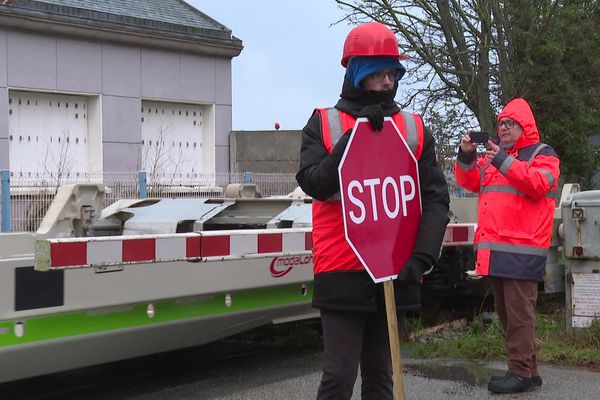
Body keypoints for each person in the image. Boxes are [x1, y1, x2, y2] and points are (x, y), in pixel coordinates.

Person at [296, 21, 450, 400]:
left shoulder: (413, 128)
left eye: (392, 73)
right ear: (357, 73)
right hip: (342, 268)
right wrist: (354, 140)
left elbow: (435, 199)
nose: (387, 82)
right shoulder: (325, 123)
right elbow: (315, 183)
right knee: (338, 376)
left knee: (382, 376)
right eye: (378, 73)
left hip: (394, 269)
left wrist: (421, 258)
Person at [454, 97, 560, 394]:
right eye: (500, 124)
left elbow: (538, 184)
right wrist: (465, 156)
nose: (502, 128)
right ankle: (530, 371)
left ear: (524, 127)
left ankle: (520, 373)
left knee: (518, 316)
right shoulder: (495, 158)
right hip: (499, 251)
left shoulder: (543, 154)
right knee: (509, 314)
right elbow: (470, 181)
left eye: (509, 124)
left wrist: (502, 159)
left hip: (522, 251)